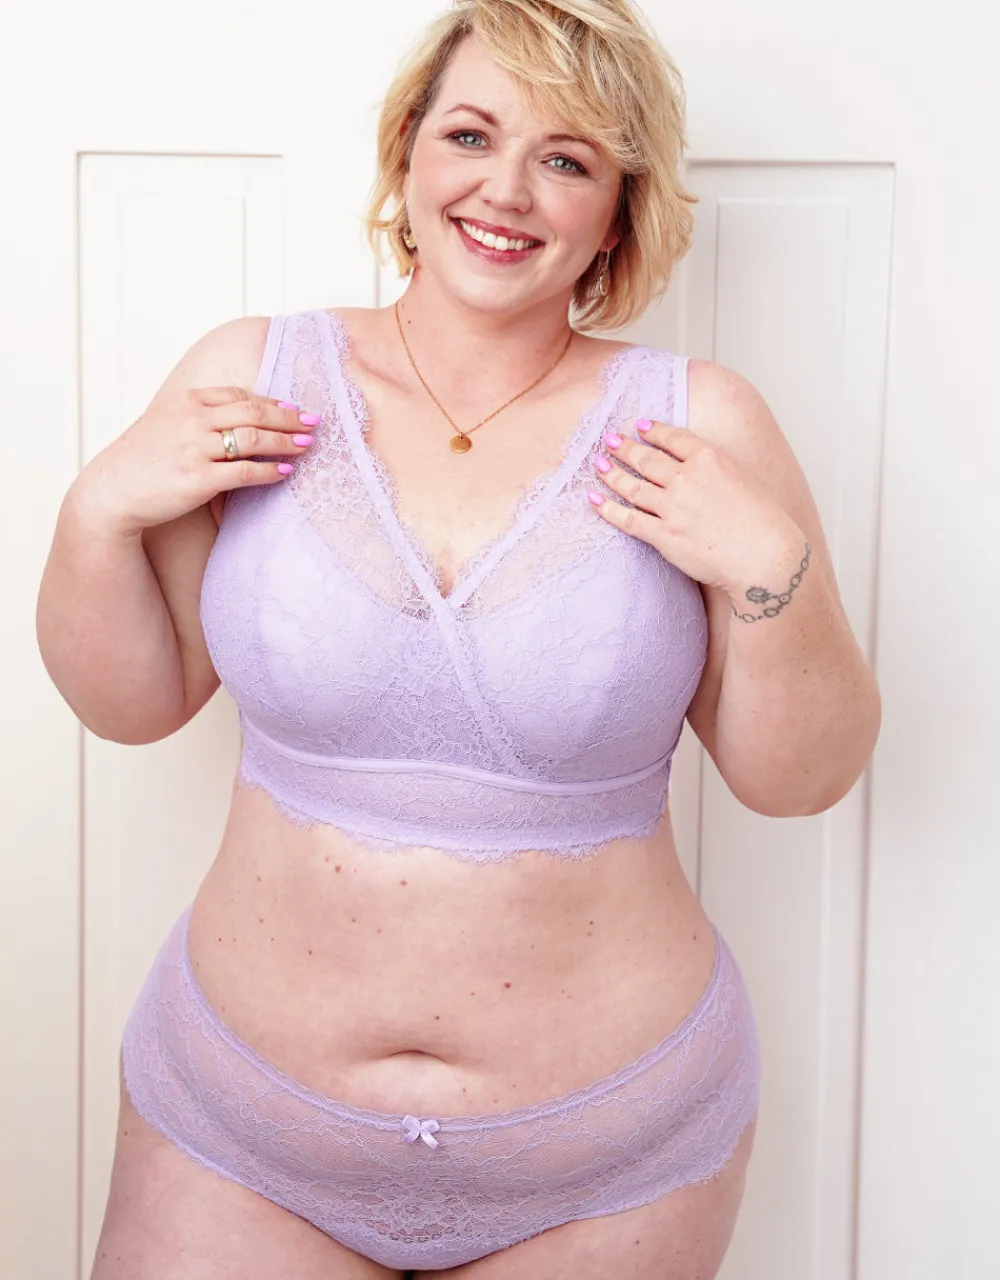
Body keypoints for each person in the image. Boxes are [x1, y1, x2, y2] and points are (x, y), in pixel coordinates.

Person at [37, 1, 881, 1276]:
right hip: (240, 1127)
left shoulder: (695, 423)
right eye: (471, 135)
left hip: (608, 1154)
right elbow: (132, 702)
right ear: (408, 152)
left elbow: (796, 778)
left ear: (618, 211)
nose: (506, 191)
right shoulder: (260, 377)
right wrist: (97, 508)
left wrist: (775, 570)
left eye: (566, 159)